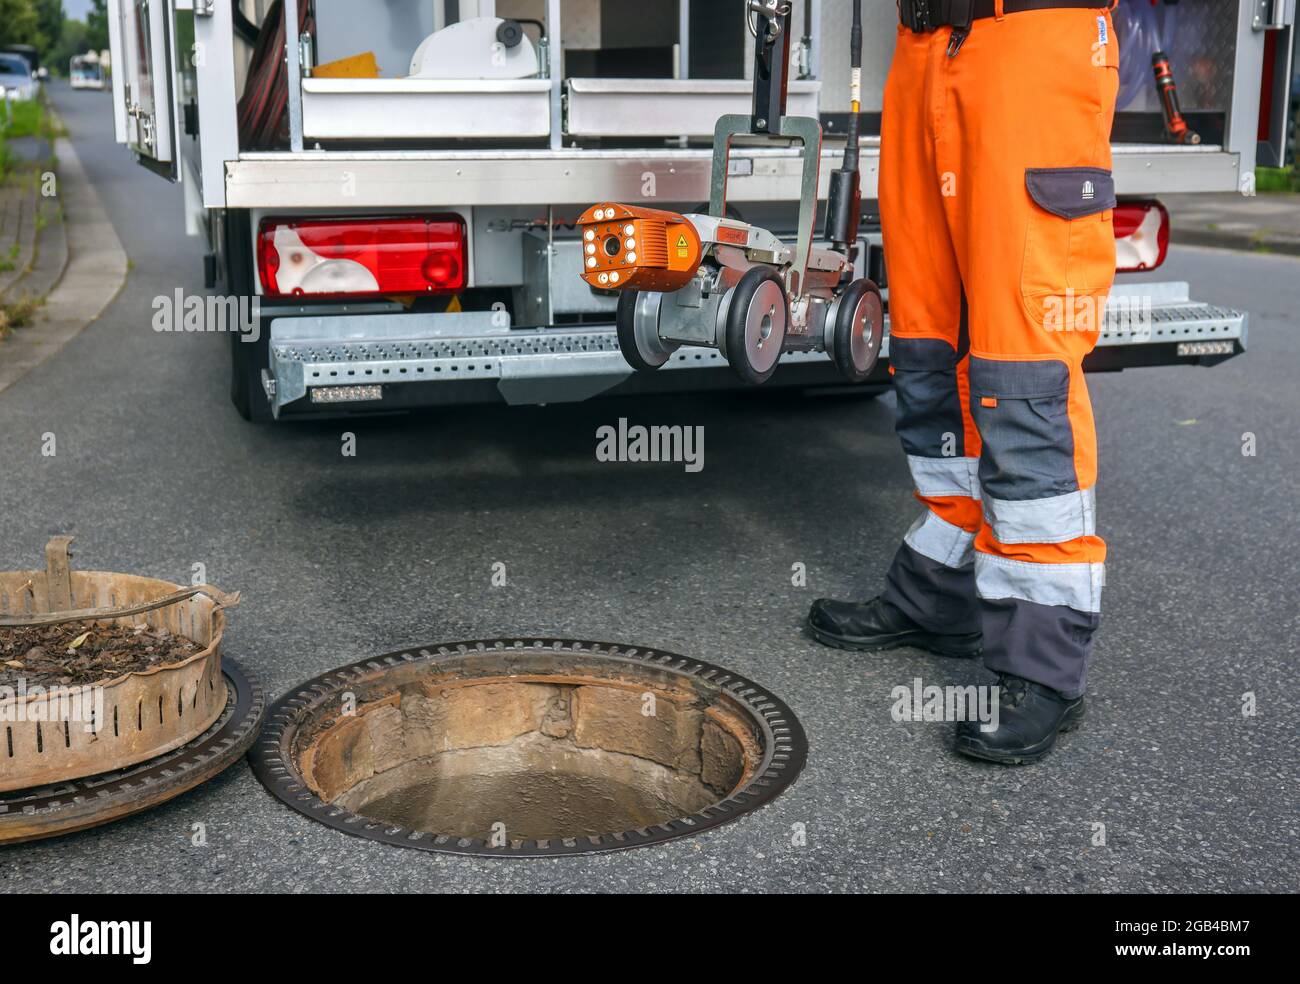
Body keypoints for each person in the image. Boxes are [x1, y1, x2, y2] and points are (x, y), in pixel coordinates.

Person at [809, 0, 1120, 765]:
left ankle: (1042, 664)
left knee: (1023, 366)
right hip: (923, 45)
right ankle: (940, 593)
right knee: (928, 346)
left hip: (1034, 43)